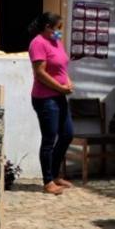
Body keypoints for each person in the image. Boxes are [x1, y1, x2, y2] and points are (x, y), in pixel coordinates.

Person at [28, 11, 75, 195]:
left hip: (60, 96)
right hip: (45, 98)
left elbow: (62, 67)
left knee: (67, 134)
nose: (59, 32)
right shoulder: (38, 43)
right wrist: (60, 88)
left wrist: (68, 82)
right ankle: (47, 181)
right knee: (49, 139)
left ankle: (55, 174)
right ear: (47, 27)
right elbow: (40, 72)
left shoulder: (56, 42)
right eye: (58, 28)